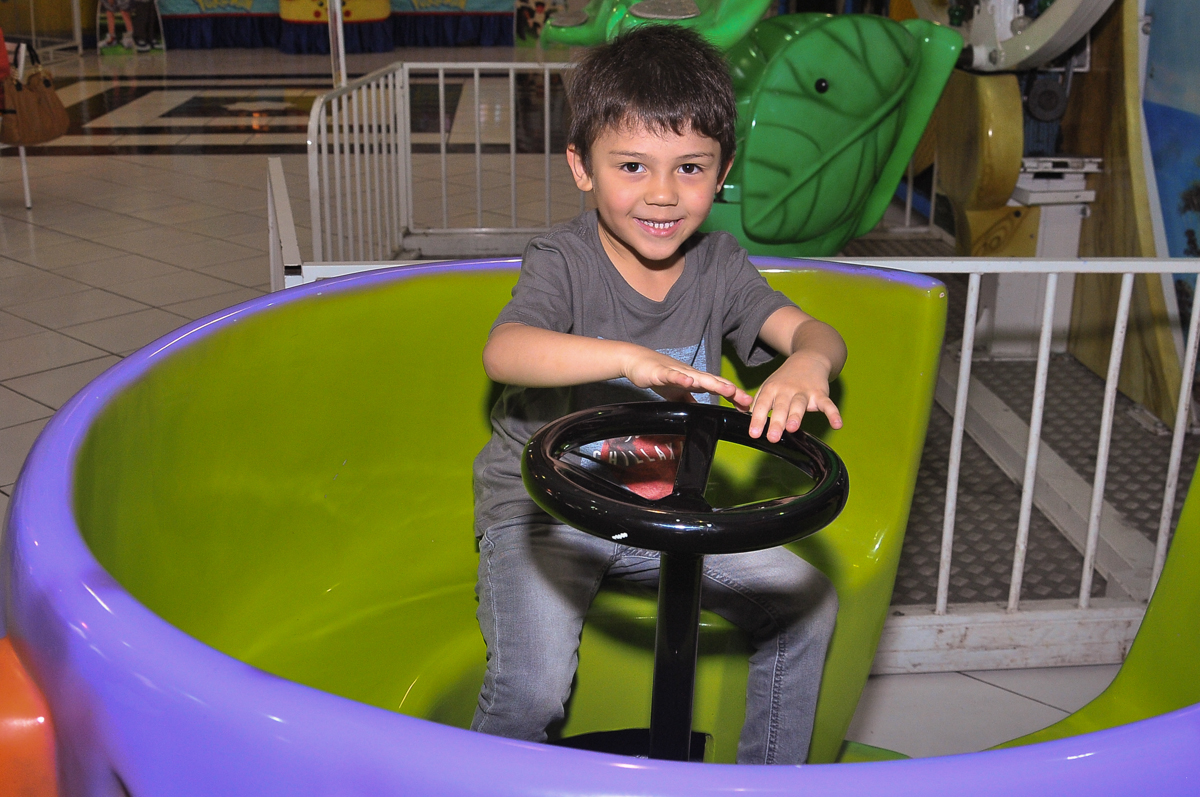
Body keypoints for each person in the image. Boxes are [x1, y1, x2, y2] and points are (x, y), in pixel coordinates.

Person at [471, 24, 847, 765]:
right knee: (533, 688)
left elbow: (817, 333)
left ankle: (765, 779)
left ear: (723, 170)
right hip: (547, 514)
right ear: (582, 166)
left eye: (691, 168)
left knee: (808, 602)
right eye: (634, 166)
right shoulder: (563, 260)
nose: (664, 195)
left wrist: (808, 364)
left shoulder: (719, 266)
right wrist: (628, 359)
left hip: (665, 513)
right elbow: (504, 349)